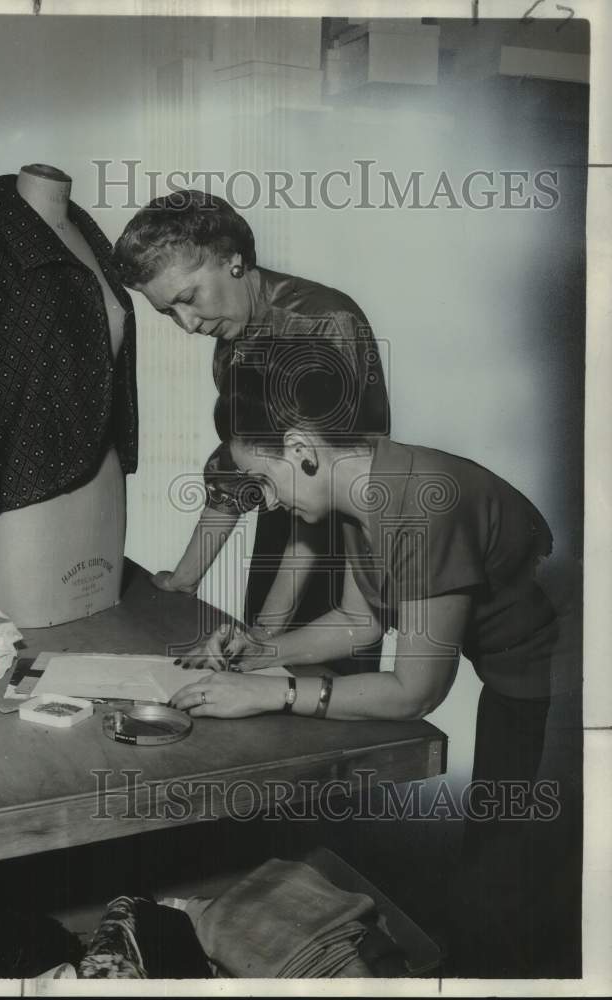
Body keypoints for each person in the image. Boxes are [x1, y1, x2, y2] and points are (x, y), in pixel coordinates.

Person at [169, 340, 572, 977]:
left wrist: (274, 692)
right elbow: (359, 621)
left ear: (301, 450)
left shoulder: (417, 501)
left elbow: (415, 691)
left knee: (505, 862)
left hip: (564, 669)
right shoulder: (362, 493)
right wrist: (258, 651)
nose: (268, 503)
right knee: (492, 859)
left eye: (266, 480)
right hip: (515, 661)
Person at [112, 190, 389, 649]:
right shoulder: (233, 329)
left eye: (188, 297)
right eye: (168, 312)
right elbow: (238, 465)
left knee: (305, 686)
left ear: (233, 260)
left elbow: (321, 482)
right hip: (287, 510)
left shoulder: (324, 323)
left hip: (345, 537)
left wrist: (265, 632)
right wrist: (186, 580)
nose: (188, 324)